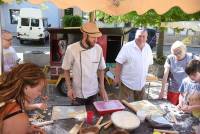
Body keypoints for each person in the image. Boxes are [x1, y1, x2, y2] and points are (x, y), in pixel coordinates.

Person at [62, 22, 108, 105]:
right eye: (93, 37)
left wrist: (102, 88)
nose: (96, 40)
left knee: (93, 116)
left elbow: (101, 69)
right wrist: (69, 88)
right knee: (78, 117)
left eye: (96, 37)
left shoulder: (98, 49)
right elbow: (66, 69)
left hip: (94, 92)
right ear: (85, 35)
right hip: (77, 94)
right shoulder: (72, 49)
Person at [0, 63, 46, 134]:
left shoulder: (7, 100)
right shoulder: (18, 117)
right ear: (25, 87)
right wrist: (21, 126)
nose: (40, 94)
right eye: (39, 90)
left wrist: (25, 129)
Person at [114, 28, 153, 101]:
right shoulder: (127, 47)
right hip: (127, 83)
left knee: (140, 106)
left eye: (143, 36)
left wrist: (147, 74)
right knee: (122, 105)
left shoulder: (148, 48)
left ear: (147, 38)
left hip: (141, 84)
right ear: (135, 36)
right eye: (139, 36)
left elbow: (149, 63)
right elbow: (119, 62)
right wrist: (117, 77)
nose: (141, 38)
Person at [159, 41, 196, 105]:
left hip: (187, 90)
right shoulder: (170, 58)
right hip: (173, 89)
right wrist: (162, 91)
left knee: (183, 109)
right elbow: (165, 75)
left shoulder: (191, 57)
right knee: (171, 107)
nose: (177, 55)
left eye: (179, 52)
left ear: (185, 50)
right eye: (175, 53)